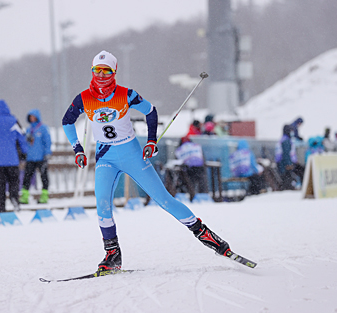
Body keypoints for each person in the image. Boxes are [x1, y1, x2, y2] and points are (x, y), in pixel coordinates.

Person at [62, 50, 233, 274]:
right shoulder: (84, 98)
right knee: (102, 202)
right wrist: (77, 148)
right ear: (92, 71)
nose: (101, 75)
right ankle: (112, 254)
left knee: (163, 200)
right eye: (97, 70)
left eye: (106, 71)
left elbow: (150, 111)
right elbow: (67, 121)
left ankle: (206, 234)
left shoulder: (126, 94)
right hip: (106, 158)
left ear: (114, 72)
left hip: (132, 154)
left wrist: (151, 141)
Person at [19, 109, 52, 204]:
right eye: (30, 117)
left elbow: (47, 142)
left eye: (33, 117)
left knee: (44, 177)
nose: (32, 119)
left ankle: (44, 196)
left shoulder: (43, 128)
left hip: (41, 157)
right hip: (30, 158)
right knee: (27, 177)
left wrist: (47, 154)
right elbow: (24, 144)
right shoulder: (28, 129)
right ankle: (25, 197)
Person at [174, 137, 208, 201]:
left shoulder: (179, 149)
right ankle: (203, 197)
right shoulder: (196, 146)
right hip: (200, 167)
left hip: (189, 169)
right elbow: (202, 157)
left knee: (189, 183)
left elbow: (178, 160)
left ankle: (191, 196)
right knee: (201, 183)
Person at [275, 125, 304, 190]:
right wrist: (288, 164)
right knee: (289, 177)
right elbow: (286, 154)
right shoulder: (286, 141)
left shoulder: (284, 139)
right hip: (284, 164)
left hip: (284, 163)